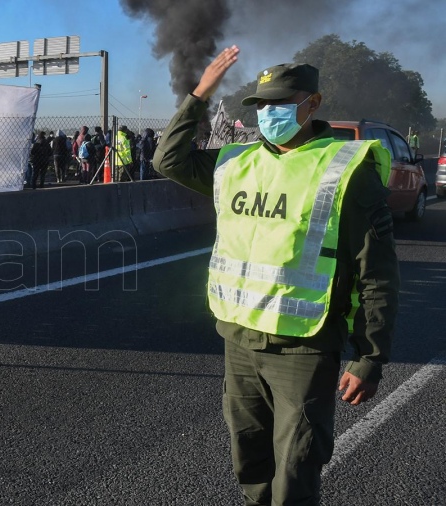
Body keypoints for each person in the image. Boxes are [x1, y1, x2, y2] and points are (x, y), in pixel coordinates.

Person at [153, 46, 399, 505]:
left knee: (296, 471)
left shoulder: (346, 169)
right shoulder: (234, 162)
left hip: (303, 348)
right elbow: (168, 161)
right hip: (240, 341)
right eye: (262, 104)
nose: (269, 113)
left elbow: (376, 273)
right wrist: (200, 93)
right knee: (250, 463)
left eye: (282, 103)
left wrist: (370, 357)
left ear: (313, 103)